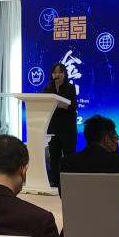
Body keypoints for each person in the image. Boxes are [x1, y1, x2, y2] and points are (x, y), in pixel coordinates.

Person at [59, 115, 119, 237]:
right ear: (106, 140)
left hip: (75, 233)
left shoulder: (67, 162)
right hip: (118, 235)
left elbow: (65, 198)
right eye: (116, 139)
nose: (117, 143)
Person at [42, 62, 78, 192]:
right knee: (54, 155)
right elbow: (44, 105)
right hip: (53, 127)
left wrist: (61, 105)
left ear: (65, 74)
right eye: (55, 72)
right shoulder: (47, 89)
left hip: (67, 127)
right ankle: (55, 181)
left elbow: (73, 106)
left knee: (69, 154)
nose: (57, 74)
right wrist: (57, 105)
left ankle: (70, 181)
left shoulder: (70, 88)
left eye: (60, 72)